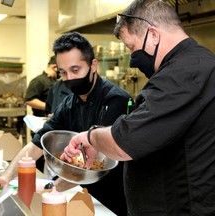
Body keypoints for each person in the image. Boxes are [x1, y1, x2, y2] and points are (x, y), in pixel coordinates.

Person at [61, 0, 215, 215]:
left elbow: (125, 141)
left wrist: (90, 137)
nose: (133, 61)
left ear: (153, 34)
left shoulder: (183, 74)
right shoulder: (191, 66)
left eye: (132, 47)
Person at [0, 32, 132, 215]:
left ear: (93, 65)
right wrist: (6, 177)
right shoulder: (69, 104)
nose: (69, 78)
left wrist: (53, 188)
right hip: (85, 196)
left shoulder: (115, 100)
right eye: (63, 72)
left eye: (75, 70)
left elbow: (90, 164)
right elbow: (37, 144)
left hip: (114, 199)